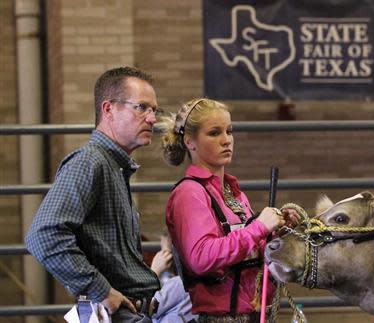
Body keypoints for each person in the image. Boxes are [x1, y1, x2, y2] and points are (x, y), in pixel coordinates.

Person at [26, 66, 162, 322]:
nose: (152, 118)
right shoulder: (90, 162)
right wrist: (100, 289)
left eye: (154, 110)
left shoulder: (113, 166)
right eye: (142, 107)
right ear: (108, 109)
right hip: (116, 313)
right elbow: (43, 234)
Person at [161, 98, 300, 322]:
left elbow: (244, 248)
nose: (227, 140)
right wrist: (259, 228)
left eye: (229, 131)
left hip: (254, 311)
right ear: (190, 142)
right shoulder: (189, 194)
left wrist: (276, 231)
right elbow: (201, 257)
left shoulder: (232, 192)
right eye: (214, 133)